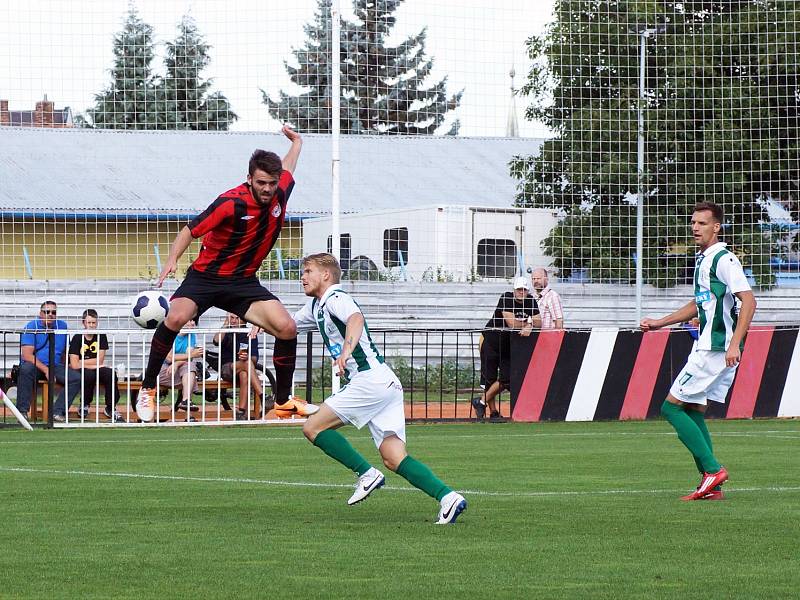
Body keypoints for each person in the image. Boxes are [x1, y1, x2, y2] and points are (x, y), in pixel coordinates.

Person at [134, 125, 316, 422]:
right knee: (176, 318)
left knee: (287, 328)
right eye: (261, 183)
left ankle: (283, 401)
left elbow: (290, 166)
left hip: (243, 281)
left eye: (272, 182)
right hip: (205, 278)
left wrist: (297, 142)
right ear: (249, 180)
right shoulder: (230, 203)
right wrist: (171, 260)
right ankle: (147, 388)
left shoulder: (280, 192)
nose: (268, 189)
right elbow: (190, 230)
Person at [294, 253, 467, 524]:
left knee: (313, 427)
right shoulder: (316, 306)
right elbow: (287, 325)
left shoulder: (336, 298)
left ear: (325, 275)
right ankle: (448, 497)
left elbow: (355, 319)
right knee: (393, 457)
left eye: (307, 271)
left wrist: (347, 351)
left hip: (369, 381)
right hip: (385, 382)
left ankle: (366, 473)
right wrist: (257, 324)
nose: (301, 277)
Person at [640, 201, 756, 501]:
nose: (695, 228)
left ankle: (713, 470)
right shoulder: (702, 260)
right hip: (709, 343)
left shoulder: (723, 259)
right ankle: (712, 485)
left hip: (715, 347)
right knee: (692, 409)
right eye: (693, 223)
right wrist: (660, 322)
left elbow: (749, 301)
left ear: (716, 227)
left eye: (702, 223)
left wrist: (733, 343)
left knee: (670, 407)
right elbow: (699, 304)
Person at [472, 277, 539, 422]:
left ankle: (481, 402)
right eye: (519, 289)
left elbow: (539, 321)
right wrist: (528, 323)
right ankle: (493, 412)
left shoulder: (531, 301)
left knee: (507, 378)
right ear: (514, 290)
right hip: (491, 340)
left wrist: (531, 324)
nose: (522, 292)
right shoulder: (506, 298)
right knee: (489, 377)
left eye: (524, 289)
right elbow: (511, 323)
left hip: (508, 344)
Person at [53, 309, 124, 423]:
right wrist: (93, 364)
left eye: (93, 323)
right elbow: (74, 365)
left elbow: (100, 360)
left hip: (95, 368)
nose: (91, 325)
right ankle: (84, 404)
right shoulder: (77, 338)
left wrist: (83, 362)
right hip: (84, 370)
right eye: (89, 322)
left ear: (97, 323)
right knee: (88, 375)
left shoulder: (101, 336)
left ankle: (110, 408)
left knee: (110, 374)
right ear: (83, 323)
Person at [16, 300, 68, 420]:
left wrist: (67, 365)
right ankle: (22, 412)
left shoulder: (63, 326)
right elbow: (27, 355)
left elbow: (64, 350)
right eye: (47, 311)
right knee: (25, 369)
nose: (50, 314)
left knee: (76, 378)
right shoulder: (31, 326)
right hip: (36, 365)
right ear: (40, 313)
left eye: (53, 312)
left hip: (55, 365)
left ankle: (57, 411)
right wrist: (46, 370)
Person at [214, 313, 269, 419]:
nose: (234, 321)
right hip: (227, 369)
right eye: (231, 318)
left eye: (237, 318)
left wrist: (247, 356)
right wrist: (226, 323)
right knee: (247, 364)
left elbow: (254, 358)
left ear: (244, 321)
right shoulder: (227, 331)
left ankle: (241, 412)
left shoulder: (249, 333)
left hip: (243, 369)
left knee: (245, 373)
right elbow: (216, 341)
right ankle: (263, 396)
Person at [157, 318, 203, 420]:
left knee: (189, 367)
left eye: (193, 321)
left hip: (180, 371)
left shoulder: (192, 336)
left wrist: (177, 363)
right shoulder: (169, 334)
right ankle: (188, 409)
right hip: (163, 371)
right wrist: (185, 358)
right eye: (188, 320)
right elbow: (168, 358)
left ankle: (186, 402)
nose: (191, 324)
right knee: (190, 373)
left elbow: (189, 357)